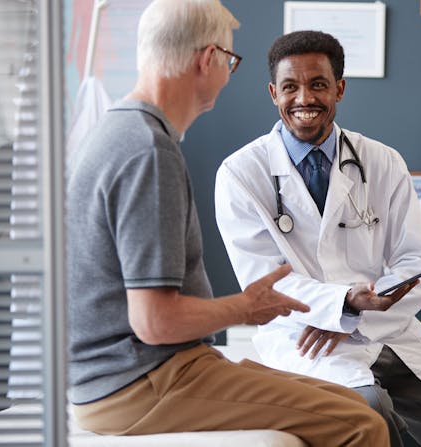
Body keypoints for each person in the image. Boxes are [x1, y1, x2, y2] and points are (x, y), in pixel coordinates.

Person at [66, 2, 390, 445]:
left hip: (136, 372)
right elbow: (155, 322)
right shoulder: (148, 152)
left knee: (351, 402)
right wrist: (246, 308)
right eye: (230, 61)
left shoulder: (121, 132)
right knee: (364, 424)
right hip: (138, 383)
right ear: (208, 59)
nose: (227, 74)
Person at [215, 30, 421, 447]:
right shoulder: (241, 174)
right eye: (290, 87)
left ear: (340, 89)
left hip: (387, 332)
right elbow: (265, 283)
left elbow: (418, 263)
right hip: (305, 338)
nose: (304, 99)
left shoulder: (382, 161)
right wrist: (341, 306)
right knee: (370, 412)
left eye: (318, 84)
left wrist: (355, 315)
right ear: (274, 93)